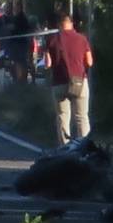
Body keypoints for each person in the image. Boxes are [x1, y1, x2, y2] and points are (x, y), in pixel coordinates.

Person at [44, 7, 94, 145]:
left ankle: (65, 149)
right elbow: (90, 61)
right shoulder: (82, 39)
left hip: (59, 82)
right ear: (71, 23)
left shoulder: (52, 40)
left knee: (62, 116)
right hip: (79, 81)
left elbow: (47, 63)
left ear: (59, 24)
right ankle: (84, 147)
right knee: (82, 117)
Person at [0, 1, 33, 84]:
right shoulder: (19, 17)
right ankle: (20, 79)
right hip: (19, 44)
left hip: (19, 44)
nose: (14, 8)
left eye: (16, 7)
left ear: (19, 7)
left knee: (19, 62)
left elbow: (14, 28)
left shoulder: (20, 17)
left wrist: (8, 27)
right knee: (19, 62)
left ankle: (20, 80)